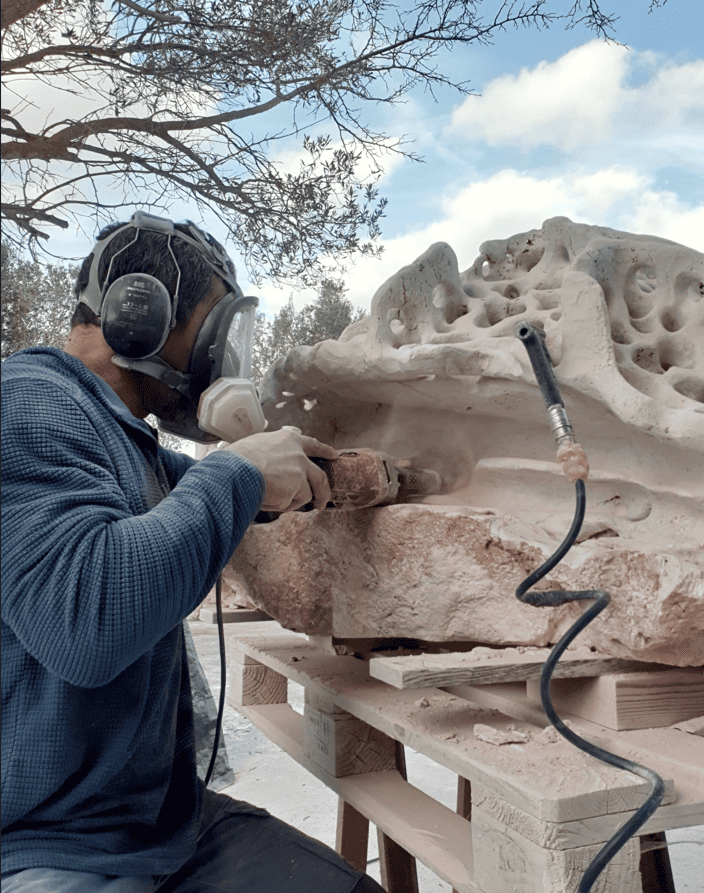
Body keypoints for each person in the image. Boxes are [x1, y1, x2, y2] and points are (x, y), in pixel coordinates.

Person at [1, 213, 385, 893]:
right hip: (51, 843)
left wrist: (298, 476)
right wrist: (235, 472)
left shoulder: (124, 442)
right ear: (135, 313)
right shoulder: (30, 403)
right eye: (210, 325)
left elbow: (207, 509)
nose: (216, 354)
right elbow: (86, 621)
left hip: (155, 824)